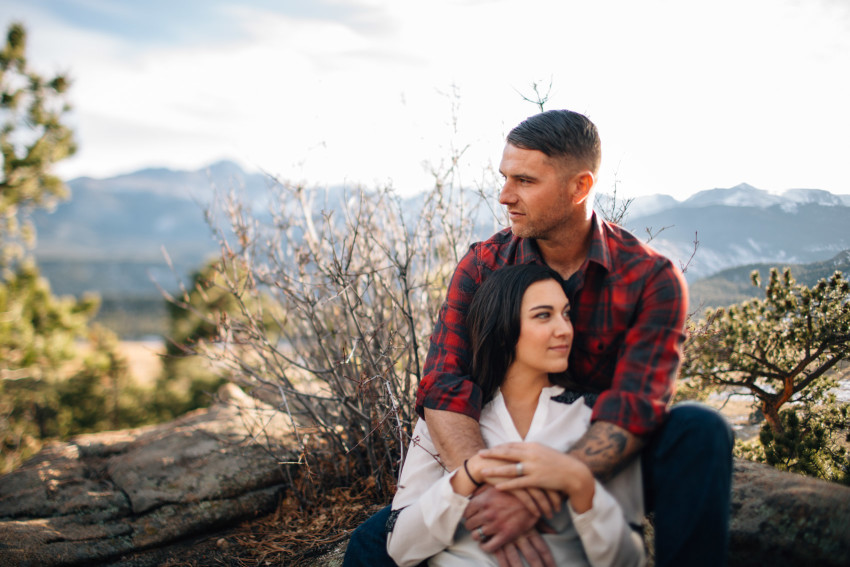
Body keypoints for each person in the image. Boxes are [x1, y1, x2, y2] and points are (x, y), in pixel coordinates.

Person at [343, 109, 733, 567]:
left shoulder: (650, 278)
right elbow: (444, 386)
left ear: (579, 187)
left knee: (701, 431)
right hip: (499, 447)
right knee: (373, 546)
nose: (505, 196)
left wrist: (542, 493)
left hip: (603, 459)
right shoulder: (485, 264)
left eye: (525, 181)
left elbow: (633, 406)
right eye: (505, 177)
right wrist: (490, 494)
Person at [386, 264, 646, 566]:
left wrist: (580, 484)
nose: (564, 329)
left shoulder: (600, 420)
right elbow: (400, 548)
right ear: (502, 330)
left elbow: (629, 558)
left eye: (566, 314)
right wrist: (467, 477)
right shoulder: (445, 420)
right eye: (543, 315)